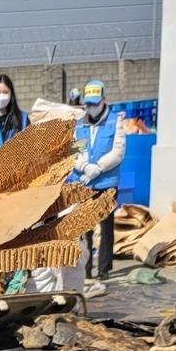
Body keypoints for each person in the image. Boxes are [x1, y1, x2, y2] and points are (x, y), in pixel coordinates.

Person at [67, 80, 127, 280]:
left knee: (105, 226)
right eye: (88, 104)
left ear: (104, 100)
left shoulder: (115, 120)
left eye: (95, 103)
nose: (91, 108)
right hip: (84, 181)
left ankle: (104, 269)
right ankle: (85, 269)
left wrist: (99, 167)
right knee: (85, 227)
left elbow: (118, 151)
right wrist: (85, 167)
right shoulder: (80, 123)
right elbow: (74, 151)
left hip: (106, 181)